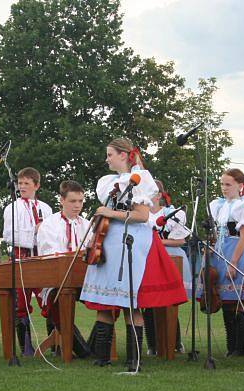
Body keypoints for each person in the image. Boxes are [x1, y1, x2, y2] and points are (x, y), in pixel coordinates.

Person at [79, 138, 187, 372]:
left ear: (123, 155)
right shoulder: (108, 182)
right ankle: (102, 357)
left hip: (133, 242)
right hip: (109, 241)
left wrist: (110, 212)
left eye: (110, 154)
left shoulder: (141, 179)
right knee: (105, 302)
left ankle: (133, 358)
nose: (106, 159)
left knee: (131, 304)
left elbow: (140, 215)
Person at [208, 169, 244, 356]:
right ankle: (231, 346)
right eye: (222, 184)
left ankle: (241, 347)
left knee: (237, 299)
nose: (224, 188)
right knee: (225, 298)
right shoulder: (218, 205)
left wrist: (233, 262)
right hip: (221, 249)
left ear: (240, 186)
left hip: (237, 251)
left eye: (228, 184)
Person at [36, 179, 91, 358]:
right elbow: (50, 256)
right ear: (61, 200)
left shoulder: (88, 225)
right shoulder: (49, 224)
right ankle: (83, 351)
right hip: (58, 281)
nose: (77, 206)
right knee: (57, 300)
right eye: (72, 201)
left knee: (109, 301)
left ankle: (96, 347)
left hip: (86, 280)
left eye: (81, 201)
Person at [2, 167, 53, 354]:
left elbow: (52, 236)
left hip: (41, 258)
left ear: (36, 185)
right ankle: (25, 347)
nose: (22, 187)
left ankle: (55, 343)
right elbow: (9, 235)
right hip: (21, 257)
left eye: (26, 183)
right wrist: (34, 233)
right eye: (20, 183)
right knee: (20, 303)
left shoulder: (46, 208)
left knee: (48, 300)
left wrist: (43, 232)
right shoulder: (11, 208)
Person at [143, 179, 192, 355]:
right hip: (147, 259)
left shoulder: (172, 214)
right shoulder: (140, 214)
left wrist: (156, 241)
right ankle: (152, 345)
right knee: (148, 303)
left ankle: (174, 343)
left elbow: (180, 240)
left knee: (169, 302)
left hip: (170, 256)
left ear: (158, 195)